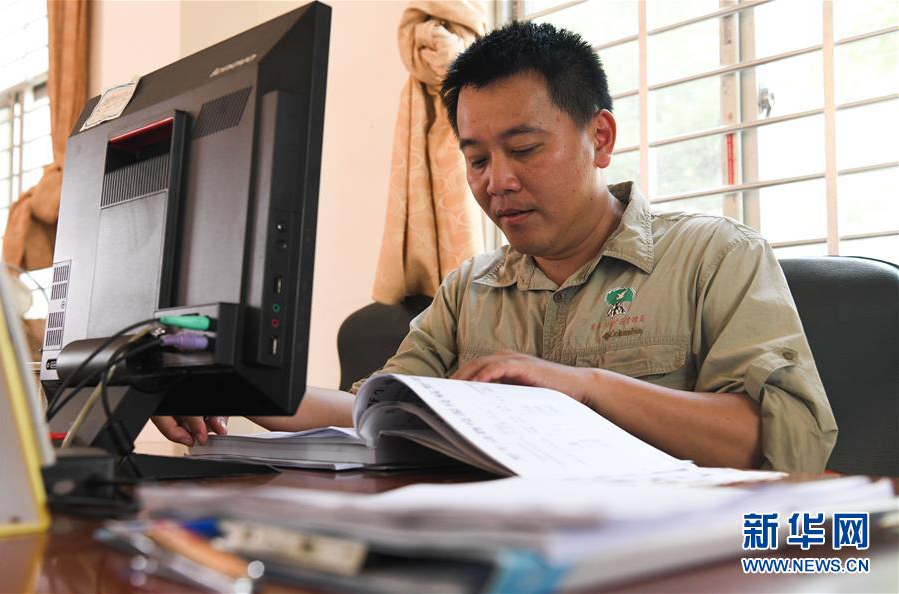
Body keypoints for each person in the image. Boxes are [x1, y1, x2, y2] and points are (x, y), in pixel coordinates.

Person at [154, 21, 837, 473]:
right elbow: (369, 411)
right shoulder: (470, 290)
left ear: (600, 138)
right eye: (476, 159)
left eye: (525, 148)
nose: (496, 182)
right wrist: (238, 386)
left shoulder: (714, 256)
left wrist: (584, 388)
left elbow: (783, 443)